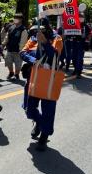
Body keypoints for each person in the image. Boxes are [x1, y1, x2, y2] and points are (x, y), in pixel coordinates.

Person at [20, 19, 63, 151]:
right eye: (37, 29)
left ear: (48, 28)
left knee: (48, 110)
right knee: (29, 108)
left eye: (42, 30)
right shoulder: (33, 38)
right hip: (33, 78)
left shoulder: (57, 39)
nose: (39, 32)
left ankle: (44, 135)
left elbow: (56, 56)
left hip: (48, 80)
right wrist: (34, 61)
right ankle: (39, 123)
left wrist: (45, 42)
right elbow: (23, 52)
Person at [3, 13, 28, 80]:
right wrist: (3, 44)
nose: (15, 19)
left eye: (17, 18)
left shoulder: (23, 29)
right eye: (15, 18)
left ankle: (16, 74)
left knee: (18, 64)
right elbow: (7, 37)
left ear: (21, 20)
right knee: (8, 61)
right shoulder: (11, 27)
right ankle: (11, 72)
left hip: (18, 51)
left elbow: (23, 41)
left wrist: (21, 50)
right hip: (10, 49)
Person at [71, 13, 91, 78]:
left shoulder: (86, 26)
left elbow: (89, 35)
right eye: (79, 17)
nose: (81, 18)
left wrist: (87, 43)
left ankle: (78, 72)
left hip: (81, 44)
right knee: (74, 58)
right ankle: (75, 69)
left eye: (82, 17)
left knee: (79, 58)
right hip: (74, 43)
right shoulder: (74, 24)